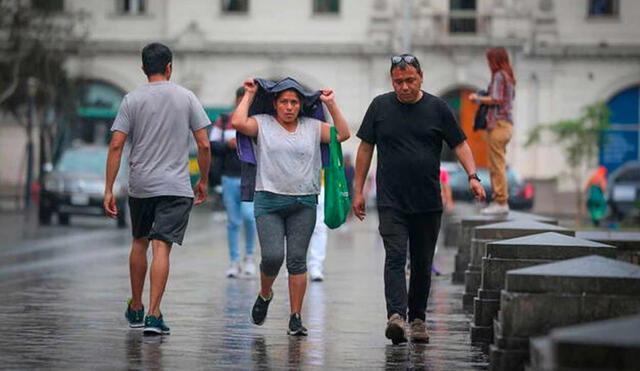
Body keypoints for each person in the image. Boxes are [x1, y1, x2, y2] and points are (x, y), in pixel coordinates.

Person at [352, 54, 485, 345]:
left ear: (421, 77)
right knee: (396, 257)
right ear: (392, 82)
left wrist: (473, 176)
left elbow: (460, 144)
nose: (404, 86)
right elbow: (365, 148)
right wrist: (358, 190)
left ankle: (418, 319)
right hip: (391, 200)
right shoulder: (380, 106)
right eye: (398, 81)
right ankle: (396, 317)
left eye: (409, 80)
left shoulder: (438, 108)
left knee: (423, 263)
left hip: (427, 201)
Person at [104, 43, 211, 336]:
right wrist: (203, 180)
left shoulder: (131, 100)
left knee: (139, 241)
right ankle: (153, 315)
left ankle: (136, 307)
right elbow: (203, 143)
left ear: (142, 68)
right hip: (176, 186)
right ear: (169, 67)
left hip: (141, 185)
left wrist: (108, 188)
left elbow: (116, 144)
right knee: (160, 246)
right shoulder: (187, 97)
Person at [231, 77, 350, 336]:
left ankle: (295, 317)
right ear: (275, 104)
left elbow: (342, 134)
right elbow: (238, 122)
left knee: (297, 261)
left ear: (300, 106)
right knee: (273, 257)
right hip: (269, 201)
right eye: (283, 101)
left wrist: (331, 104)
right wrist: (249, 94)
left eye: (294, 102)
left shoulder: (312, 126)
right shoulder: (262, 124)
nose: (288, 107)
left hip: (303, 201)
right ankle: (265, 295)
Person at [211, 87, 257, 278]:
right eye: (241, 99)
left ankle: (249, 257)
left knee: (249, 217)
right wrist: (227, 145)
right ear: (236, 100)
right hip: (229, 177)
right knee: (233, 221)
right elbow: (212, 144)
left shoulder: (255, 121)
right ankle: (234, 260)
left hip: (250, 178)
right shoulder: (224, 121)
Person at [469, 46, 516, 215]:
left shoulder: (498, 76)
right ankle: (500, 200)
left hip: (498, 124)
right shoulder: (509, 77)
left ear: (495, 60)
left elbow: (496, 99)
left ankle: (500, 201)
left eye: (490, 60)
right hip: (506, 125)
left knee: (496, 165)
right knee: (499, 163)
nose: (488, 64)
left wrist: (477, 98)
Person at [307, 179, 327, 282]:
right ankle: (293, 265)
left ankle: (316, 265)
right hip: (294, 183)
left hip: (320, 183)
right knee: (294, 225)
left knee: (319, 228)